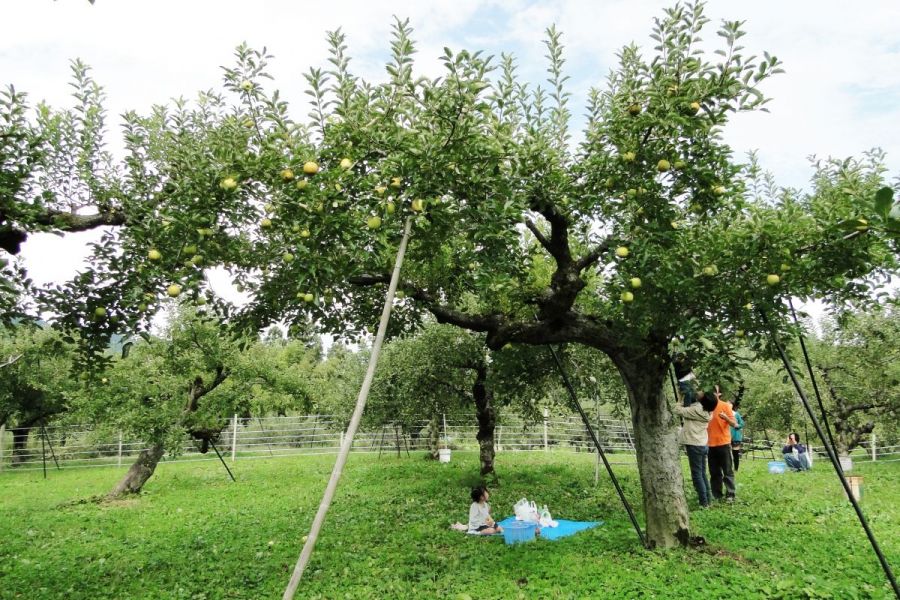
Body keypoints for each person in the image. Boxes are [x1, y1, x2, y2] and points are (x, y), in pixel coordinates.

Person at [673, 392, 718, 508]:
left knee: (697, 475)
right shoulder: (708, 412)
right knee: (702, 473)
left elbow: (678, 410)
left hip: (694, 444)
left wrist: (680, 397)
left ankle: (704, 503)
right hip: (702, 444)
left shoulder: (696, 410)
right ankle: (708, 500)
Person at [707, 385, 738, 503]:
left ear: (719, 394)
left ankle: (730, 494)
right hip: (710, 444)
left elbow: (734, 424)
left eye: (715, 392)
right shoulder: (706, 407)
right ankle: (716, 495)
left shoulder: (725, 406)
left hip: (723, 443)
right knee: (714, 472)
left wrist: (726, 417)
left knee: (727, 470)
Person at [730, 400, 745, 472]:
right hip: (725, 437)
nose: (728, 405)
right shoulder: (723, 414)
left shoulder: (736, 414)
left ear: (732, 405)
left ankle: (736, 469)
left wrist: (737, 425)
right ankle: (728, 469)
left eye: (729, 403)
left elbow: (742, 423)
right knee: (726, 454)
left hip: (735, 436)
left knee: (735, 454)